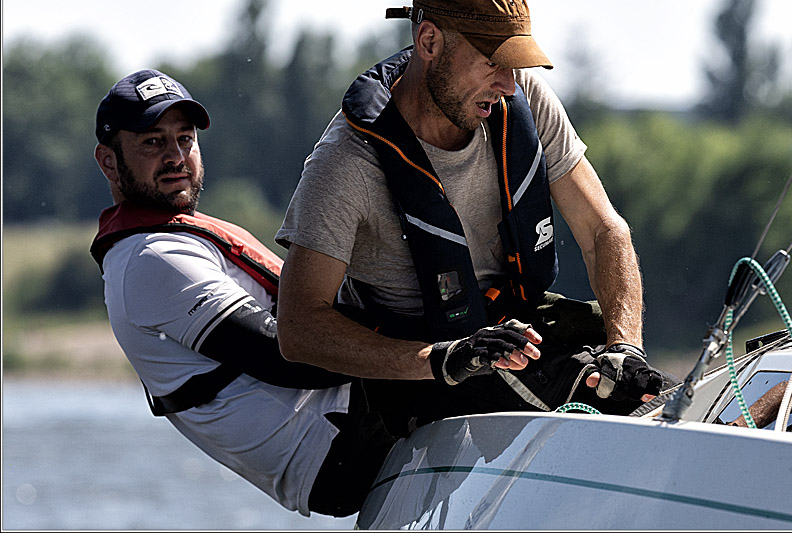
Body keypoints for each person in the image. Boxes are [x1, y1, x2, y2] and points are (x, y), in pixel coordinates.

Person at [89, 70, 533, 517]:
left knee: (507, 334)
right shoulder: (150, 260)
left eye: (184, 139)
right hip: (336, 448)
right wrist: (442, 351)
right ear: (109, 161)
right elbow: (292, 355)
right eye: (152, 142)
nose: (175, 156)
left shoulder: (173, 241)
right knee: (525, 368)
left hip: (348, 422)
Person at [275, 0, 671, 426]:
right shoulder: (346, 164)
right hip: (425, 370)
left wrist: (625, 345)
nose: (507, 85)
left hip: (520, 333)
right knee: (617, 407)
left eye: (514, 67)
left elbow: (604, 230)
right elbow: (298, 327)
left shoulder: (525, 100)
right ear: (429, 42)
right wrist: (444, 359)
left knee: (635, 386)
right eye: (492, 63)